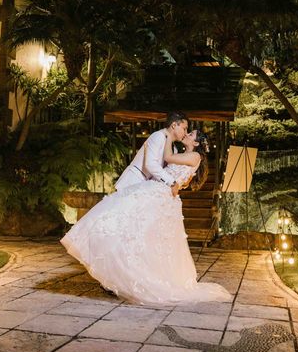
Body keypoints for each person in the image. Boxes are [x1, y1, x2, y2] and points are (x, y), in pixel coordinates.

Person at [61, 129, 231, 305]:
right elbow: (178, 174)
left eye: (191, 134)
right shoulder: (187, 154)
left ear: (196, 143)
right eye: (187, 131)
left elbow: (168, 159)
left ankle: (130, 276)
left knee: (138, 232)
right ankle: (121, 275)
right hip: (159, 193)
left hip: (159, 195)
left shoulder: (195, 156)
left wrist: (168, 136)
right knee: (141, 235)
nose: (187, 134)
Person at [114, 111, 189, 197]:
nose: (186, 133)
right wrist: (171, 182)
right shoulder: (158, 136)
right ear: (174, 125)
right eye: (184, 128)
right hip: (133, 180)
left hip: (146, 186)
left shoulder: (174, 149)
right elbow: (150, 164)